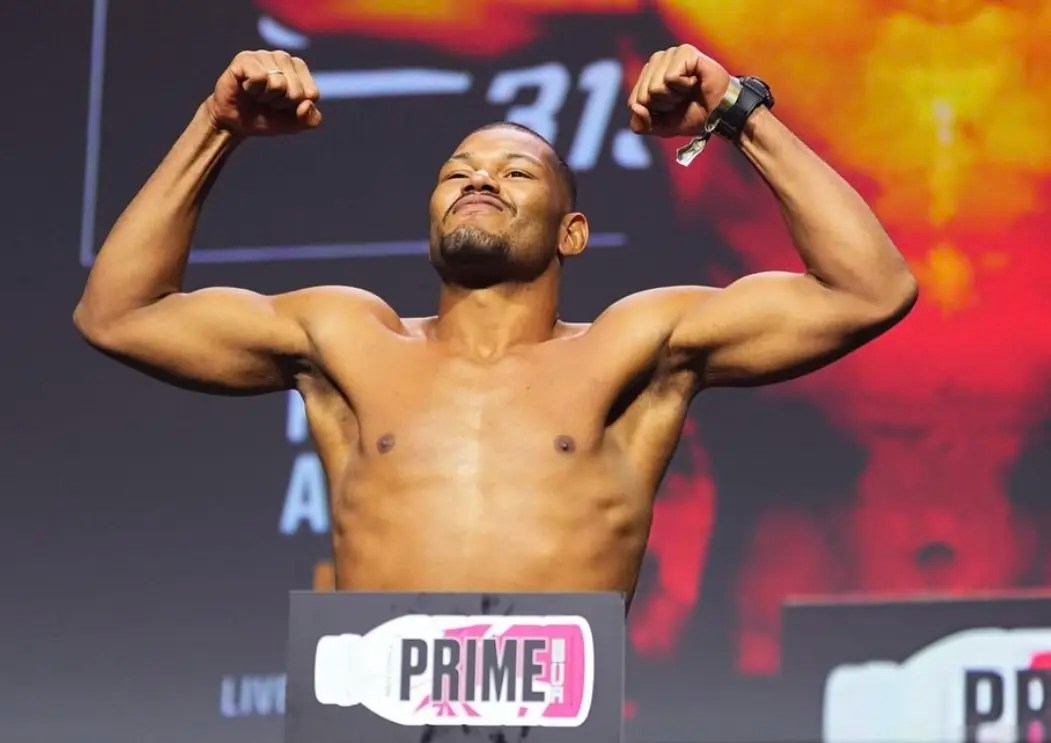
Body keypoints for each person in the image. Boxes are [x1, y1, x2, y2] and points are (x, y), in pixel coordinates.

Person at [73, 46, 917, 601]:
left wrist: (735, 110)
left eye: (516, 172)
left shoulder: (632, 348)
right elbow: (119, 314)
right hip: (372, 724)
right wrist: (217, 127)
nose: (480, 180)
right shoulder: (348, 340)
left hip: (555, 723)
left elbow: (867, 290)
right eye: (458, 173)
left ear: (570, 233)